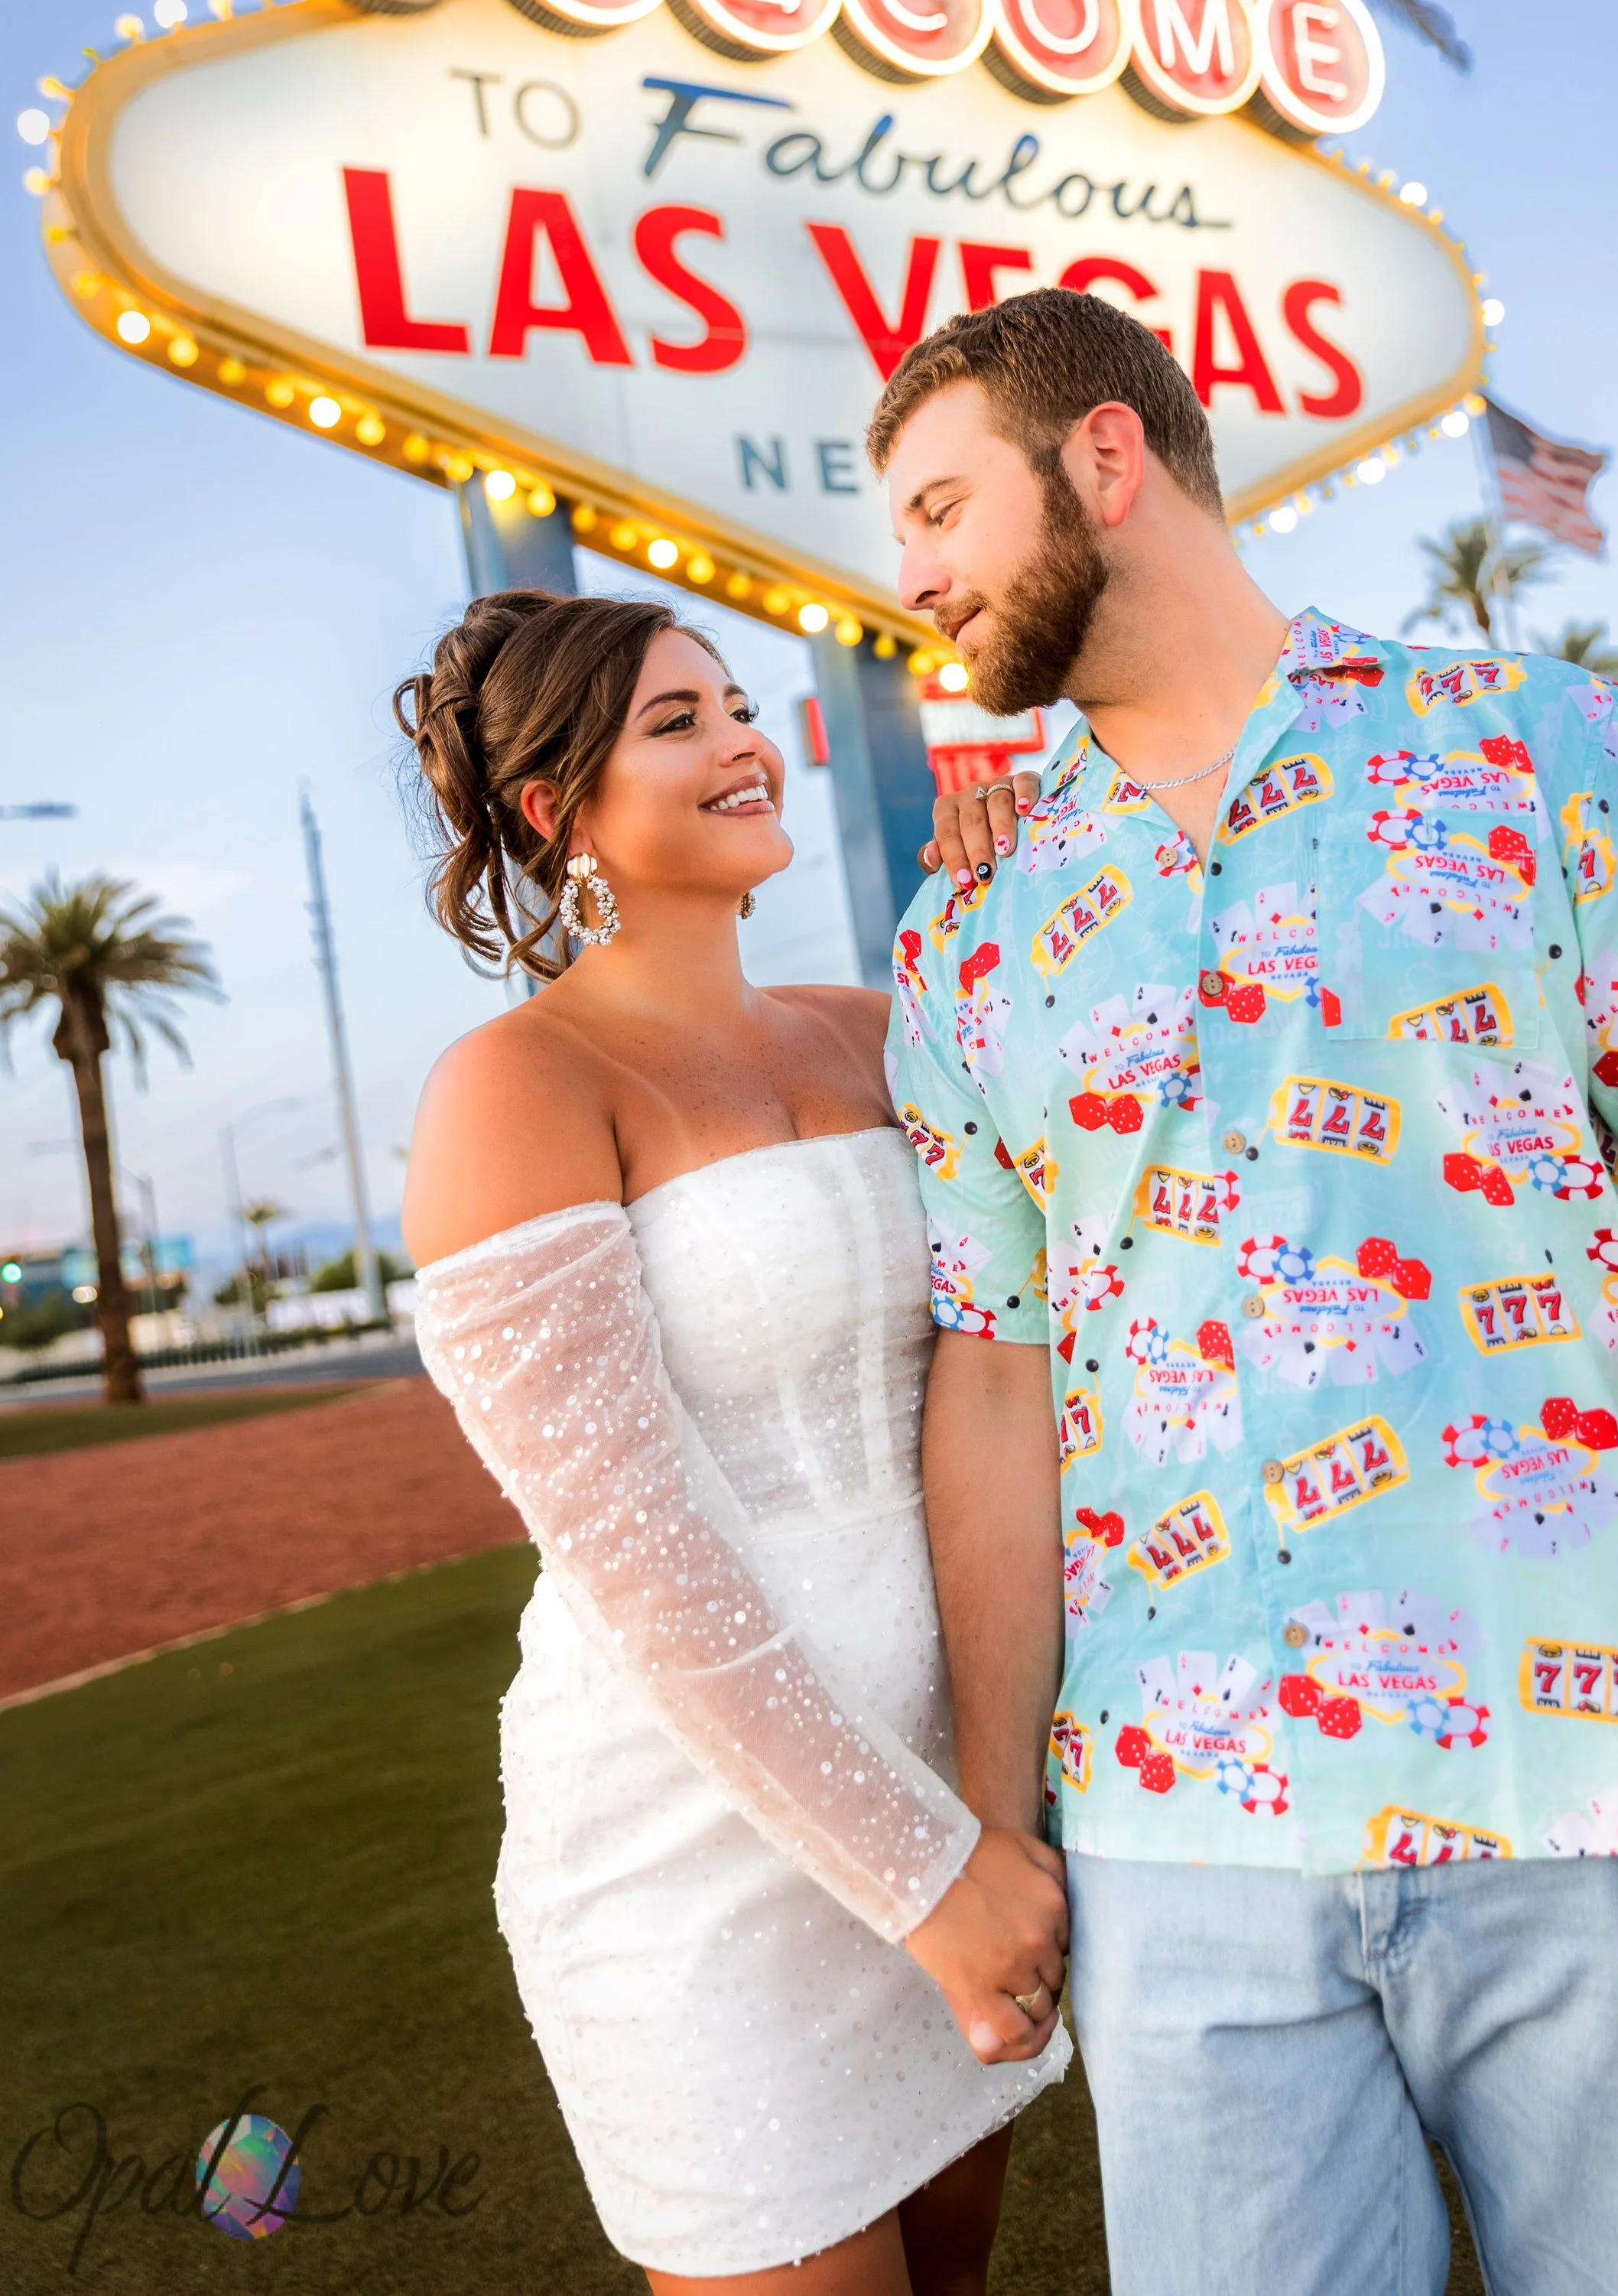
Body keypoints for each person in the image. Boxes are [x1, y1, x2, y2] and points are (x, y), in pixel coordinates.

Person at [872, 285, 1618, 2296]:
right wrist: (996, 1819)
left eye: (936, 504)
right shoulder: (969, 925)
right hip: (1174, 1826)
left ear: (1103, 461)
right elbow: (992, 1379)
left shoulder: (1542, 748)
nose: (907, 572)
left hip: (1595, 1781)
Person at [395, 589, 1068, 2296]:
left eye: (739, 703)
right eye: (676, 722)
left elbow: (1035, 1301)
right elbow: (635, 1554)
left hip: (954, 1796)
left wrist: (1025, 888)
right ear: (554, 811)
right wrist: (925, 1883)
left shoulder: (874, 1020)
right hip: (694, 1863)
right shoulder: (513, 1087)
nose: (744, 741)